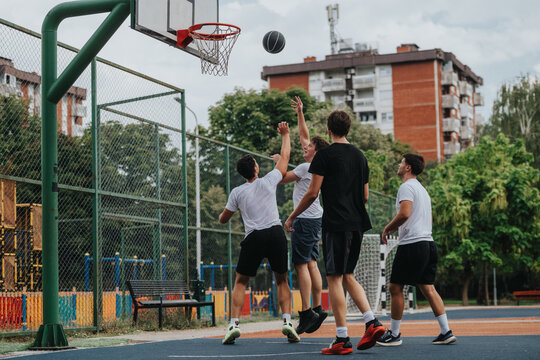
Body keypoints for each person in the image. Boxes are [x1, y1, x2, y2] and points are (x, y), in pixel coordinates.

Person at [284, 110, 385, 355]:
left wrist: (292, 215)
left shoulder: (324, 156)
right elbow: (365, 196)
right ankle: (372, 322)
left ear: (329, 129)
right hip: (358, 223)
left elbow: (312, 193)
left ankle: (342, 338)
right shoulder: (361, 157)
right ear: (347, 129)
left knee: (336, 279)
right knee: (348, 275)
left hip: (336, 223)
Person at [219, 122, 300, 345]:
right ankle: (286, 321)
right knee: (282, 279)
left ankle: (234, 324)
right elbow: (284, 157)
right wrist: (286, 134)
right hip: (275, 233)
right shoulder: (268, 181)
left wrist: (230, 211)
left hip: (253, 237)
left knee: (240, 281)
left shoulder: (237, 192)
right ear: (256, 169)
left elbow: (223, 218)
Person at [378, 153, 457, 346]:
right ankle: (446, 331)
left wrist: (388, 227)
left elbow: (405, 213)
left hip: (413, 245)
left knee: (395, 287)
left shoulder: (406, 187)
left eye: (401, 162)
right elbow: (424, 218)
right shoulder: (423, 190)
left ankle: (394, 334)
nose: (399, 164)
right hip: (428, 243)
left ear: (408, 168)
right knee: (428, 288)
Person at [271, 96, 330, 335]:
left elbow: (282, 178)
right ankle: (317, 306)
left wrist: (279, 162)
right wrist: (300, 114)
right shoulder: (320, 164)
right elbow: (305, 136)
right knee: (312, 263)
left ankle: (307, 312)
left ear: (315, 153)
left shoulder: (307, 168)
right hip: (316, 219)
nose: (305, 147)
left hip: (304, 219)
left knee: (301, 265)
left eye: (309, 148)